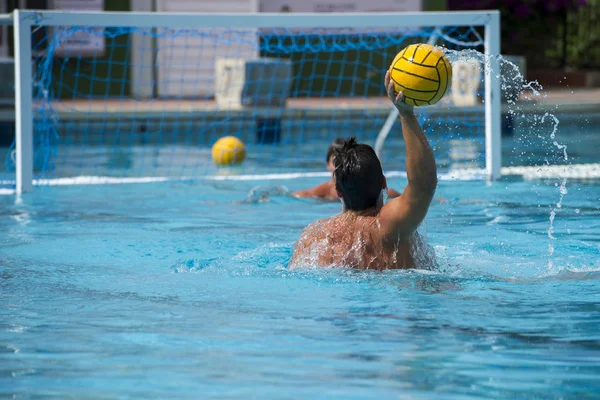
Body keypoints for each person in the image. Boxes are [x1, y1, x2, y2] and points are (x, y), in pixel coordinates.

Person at [290, 71, 437, 270]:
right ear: (383, 183)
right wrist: (406, 113)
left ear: (339, 191)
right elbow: (423, 185)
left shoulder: (315, 236)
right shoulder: (391, 226)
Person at [293, 138, 402, 200]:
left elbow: (391, 194)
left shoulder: (366, 187)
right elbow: (303, 194)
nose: (341, 165)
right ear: (327, 164)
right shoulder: (326, 190)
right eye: (336, 161)